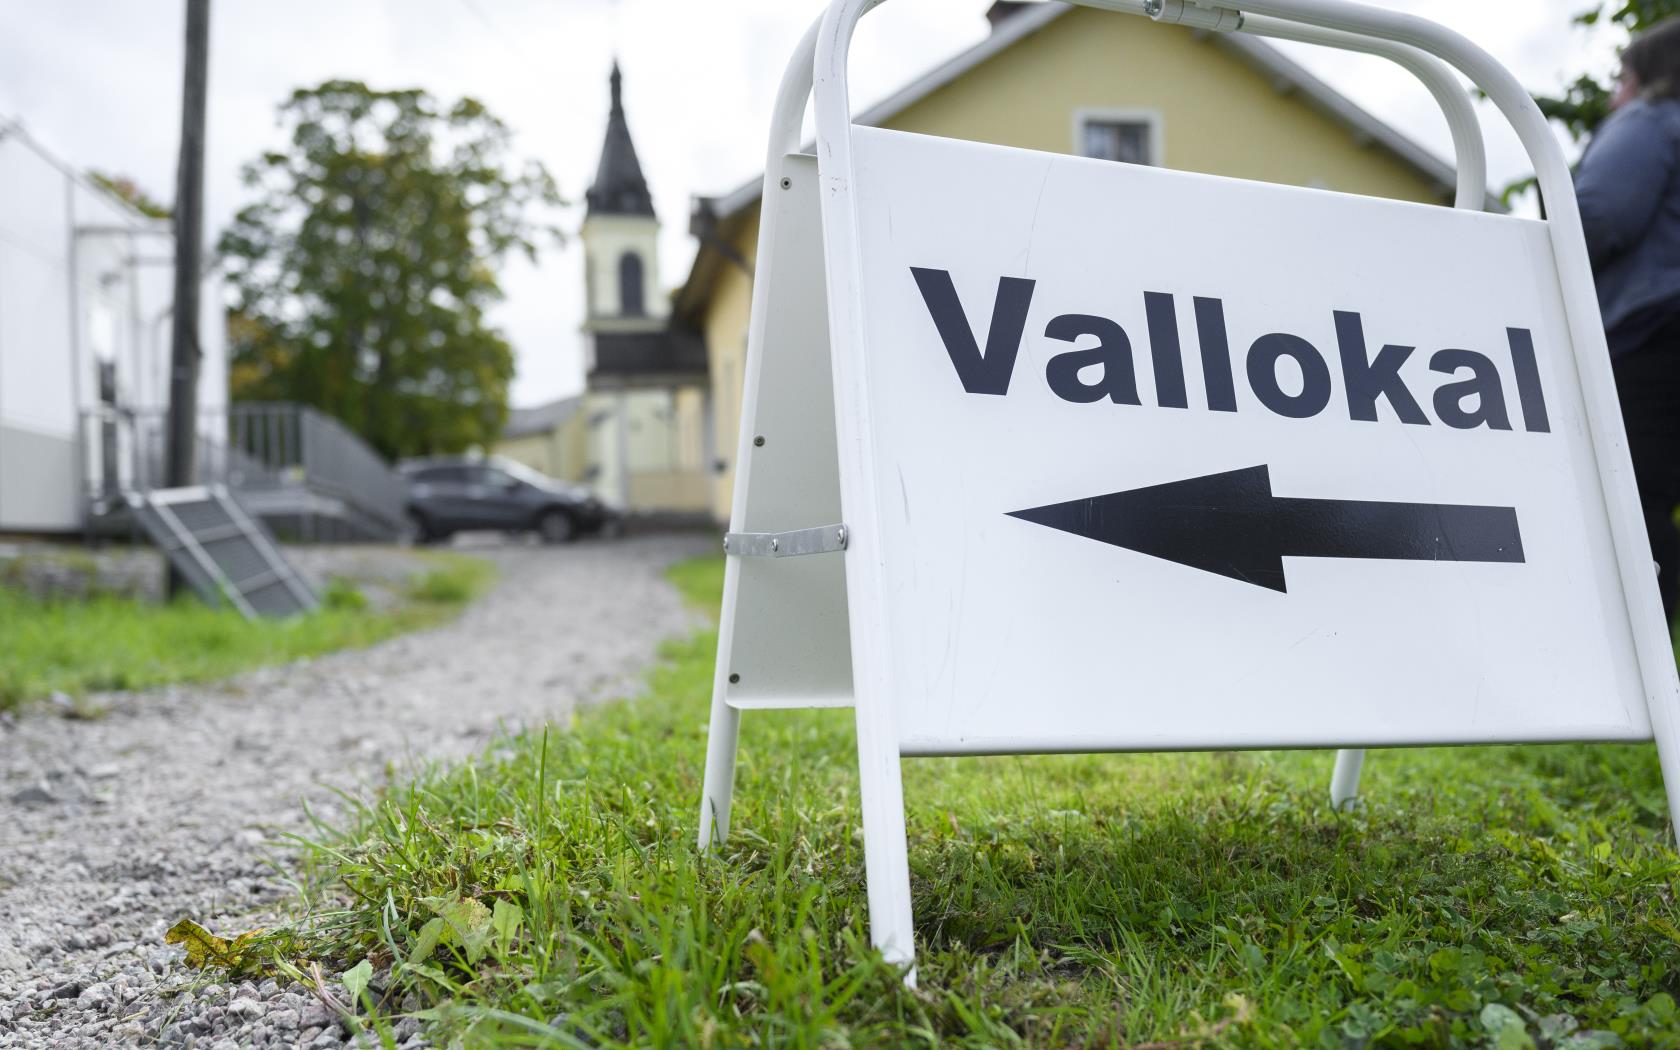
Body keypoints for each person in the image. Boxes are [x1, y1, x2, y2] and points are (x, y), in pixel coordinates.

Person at [1576, 17, 1680, 627]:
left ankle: (1636, 645)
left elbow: (1599, 219)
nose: (1615, 94)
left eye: (1620, 78)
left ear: (1641, 77)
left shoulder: (1648, 121)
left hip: (1651, 333)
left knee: (1632, 496)